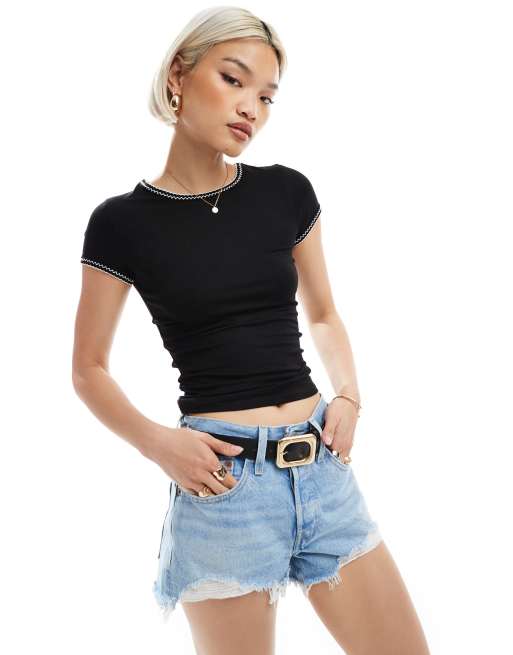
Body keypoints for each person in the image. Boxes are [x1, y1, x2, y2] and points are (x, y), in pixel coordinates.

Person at [72, 7, 431, 655]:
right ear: (178, 74)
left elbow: (322, 313)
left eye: (266, 96)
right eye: (233, 80)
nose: (251, 108)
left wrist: (349, 394)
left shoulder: (285, 192)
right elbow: (88, 368)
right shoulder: (121, 223)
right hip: (223, 485)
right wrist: (159, 444)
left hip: (322, 468)